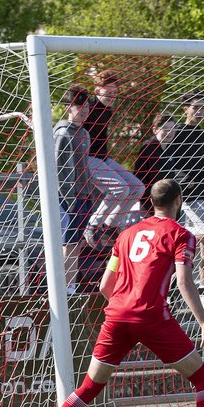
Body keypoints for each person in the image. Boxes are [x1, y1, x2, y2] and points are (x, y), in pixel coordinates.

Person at [19, 179, 204, 407]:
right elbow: (184, 282)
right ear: (178, 201)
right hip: (152, 318)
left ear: (151, 202)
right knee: (202, 377)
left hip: (117, 316)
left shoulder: (126, 234)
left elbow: (105, 286)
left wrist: (125, 309)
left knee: (89, 386)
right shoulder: (181, 235)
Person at [164, 93, 204, 310]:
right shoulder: (177, 132)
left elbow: (201, 165)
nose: (200, 112)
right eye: (196, 107)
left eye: (203, 108)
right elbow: (169, 163)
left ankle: (202, 291)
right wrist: (183, 183)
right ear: (185, 109)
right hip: (189, 196)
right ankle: (174, 285)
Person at [81, 69, 145, 233]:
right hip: (87, 158)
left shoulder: (107, 109)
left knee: (137, 187)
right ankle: (93, 225)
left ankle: (111, 226)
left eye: (115, 93)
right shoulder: (88, 108)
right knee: (120, 188)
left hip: (103, 157)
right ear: (97, 91)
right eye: (108, 92)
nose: (112, 96)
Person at [53, 85, 96, 294]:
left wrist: (92, 194)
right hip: (68, 198)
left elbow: (85, 167)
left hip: (84, 196)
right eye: (80, 106)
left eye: (87, 106)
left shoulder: (85, 134)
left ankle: (71, 286)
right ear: (69, 107)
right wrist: (69, 200)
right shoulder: (63, 134)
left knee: (77, 244)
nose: (85, 110)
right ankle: (63, 289)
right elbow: (59, 170)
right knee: (68, 242)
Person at [134, 112, 174, 214]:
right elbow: (139, 176)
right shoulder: (148, 147)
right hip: (150, 203)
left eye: (172, 128)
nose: (170, 132)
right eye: (165, 128)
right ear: (155, 130)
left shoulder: (172, 148)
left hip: (167, 202)